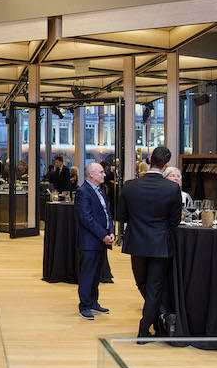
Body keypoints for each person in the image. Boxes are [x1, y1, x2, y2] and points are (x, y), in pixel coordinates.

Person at [117, 146, 182, 341]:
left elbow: (121, 216)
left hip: (137, 242)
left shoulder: (130, 186)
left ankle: (147, 325)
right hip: (160, 244)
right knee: (153, 287)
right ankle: (152, 321)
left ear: (150, 159)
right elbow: (175, 221)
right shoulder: (172, 189)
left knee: (142, 284)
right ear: (167, 164)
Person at [75, 163, 114, 320]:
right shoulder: (82, 192)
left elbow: (107, 213)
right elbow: (86, 218)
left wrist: (111, 232)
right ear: (91, 175)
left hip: (101, 240)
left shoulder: (100, 191)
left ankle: (93, 302)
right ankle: (84, 305)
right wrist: (103, 235)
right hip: (90, 241)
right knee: (88, 274)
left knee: (97, 273)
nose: (104, 175)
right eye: (101, 172)